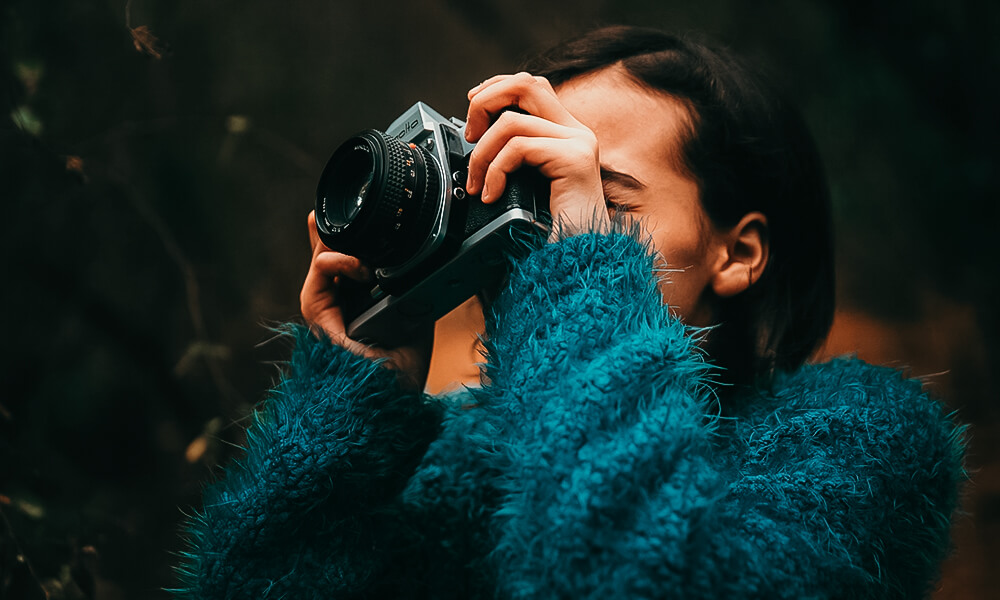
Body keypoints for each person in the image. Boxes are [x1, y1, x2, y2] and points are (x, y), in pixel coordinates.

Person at [173, 26, 965, 599]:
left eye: (601, 198)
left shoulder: (864, 437)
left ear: (738, 253)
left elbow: (632, 577)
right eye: (537, 190)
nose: (551, 232)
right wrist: (355, 408)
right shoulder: (469, 456)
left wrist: (583, 266)